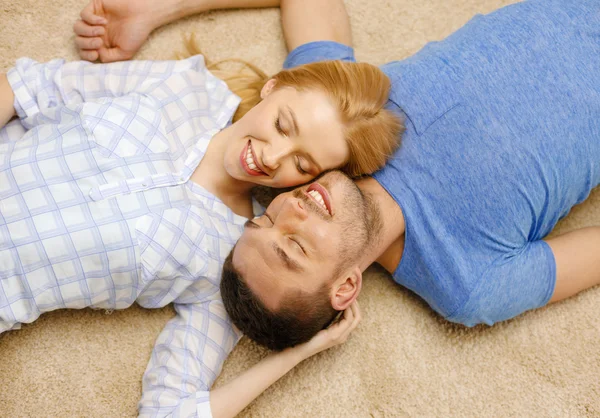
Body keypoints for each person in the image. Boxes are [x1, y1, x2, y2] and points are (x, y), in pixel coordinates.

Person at [73, 0, 600, 413]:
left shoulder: (333, 137)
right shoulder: (469, 283)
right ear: (345, 286)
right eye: (295, 246)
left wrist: (156, 9)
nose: (292, 209)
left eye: (268, 219)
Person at [0, 3, 403, 418]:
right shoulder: (185, 87)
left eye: (302, 165)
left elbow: (168, 411)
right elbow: (29, 87)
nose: (272, 156)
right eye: (283, 125)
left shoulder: (236, 259)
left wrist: (301, 351)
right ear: (272, 88)